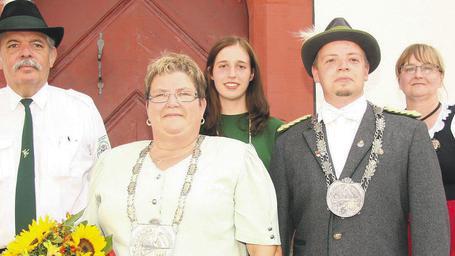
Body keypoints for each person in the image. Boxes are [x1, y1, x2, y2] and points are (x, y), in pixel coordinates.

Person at [270, 17, 450, 255]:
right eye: (331, 60)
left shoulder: (408, 133)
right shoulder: (288, 142)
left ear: (366, 70)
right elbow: (276, 230)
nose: (343, 67)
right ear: (315, 72)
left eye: (353, 60)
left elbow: (431, 227)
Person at [83, 52, 280, 255]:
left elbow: (264, 248)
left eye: (184, 94)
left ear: (202, 105)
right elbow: (84, 241)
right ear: (148, 107)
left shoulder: (237, 158)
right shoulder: (110, 163)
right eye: (160, 95)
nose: (172, 103)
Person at [0, 0, 110, 252]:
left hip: (67, 250)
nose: (25, 53)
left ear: (52, 57)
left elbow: (105, 183)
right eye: (13, 45)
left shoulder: (81, 109)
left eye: (37, 45)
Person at [396, 43, 455, 255]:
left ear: (440, 76)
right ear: (399, 79)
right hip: (405, 233)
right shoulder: (390, 128)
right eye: (409, 68)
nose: (418, 74)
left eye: (427, 67)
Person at [202, 36, 283, 170]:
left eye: (241, 66)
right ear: (211, 73)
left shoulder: (277, 131)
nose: (232, 74)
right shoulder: (196, 130)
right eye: (223, 66)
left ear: (251, 74)